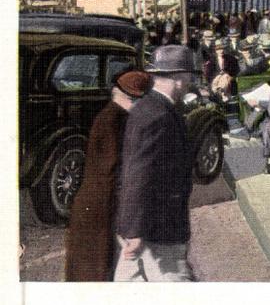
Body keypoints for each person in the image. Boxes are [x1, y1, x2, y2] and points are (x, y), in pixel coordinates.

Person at [114, 46, 196, 281]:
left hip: (142, 225)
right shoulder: (160, 116)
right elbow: (139, 174)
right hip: (158, 229)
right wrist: (136, 231)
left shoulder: (146, 107)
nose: (190, 81)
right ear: (179, 78)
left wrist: (131, 228)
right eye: (190, 75)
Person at [65, 70, 151, 281]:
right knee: (96, 270)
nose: (136, 106)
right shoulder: (113, 120)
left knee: (96, 268)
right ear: (118, 94)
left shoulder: (115, 116)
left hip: (98, 204)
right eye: (133, 100)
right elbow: (114, 170)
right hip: (101, 206)